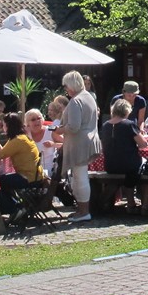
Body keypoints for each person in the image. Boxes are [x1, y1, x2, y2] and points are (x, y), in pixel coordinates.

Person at [0, 112, 48, 222]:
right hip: (33, 175)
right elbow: (2, 153)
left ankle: (14, 208)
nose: (3, 127)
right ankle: (16, 207)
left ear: (8, 126)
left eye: (4, 125)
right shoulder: (19, 138)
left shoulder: (18, 140)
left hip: (29, 177)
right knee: (1, 180)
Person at [60, 70, 100, 222]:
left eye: (66, 87)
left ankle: (84, 212)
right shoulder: (88, 96)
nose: (66, 90)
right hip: (88, 140)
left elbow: (73, 127)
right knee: (79, 177)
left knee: (80, 177)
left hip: (80, 144)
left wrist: (59, 129)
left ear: (71, 85)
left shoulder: (76, 100)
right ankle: (82, 210)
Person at [100, 98, 148, 213]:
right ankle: (136, 203)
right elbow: (143, 145)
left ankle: (129, 202)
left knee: (130, 165)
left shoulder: (106, 125)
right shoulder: (129, 124)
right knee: (145, 165)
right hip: (128, 165)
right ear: (127, 111)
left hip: (110, 165)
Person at [25, 107, 58, 178]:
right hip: (32, 172)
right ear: (28, 123)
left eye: (39, 118)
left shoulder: (50, 131)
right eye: (33, 120)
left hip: (50, 171)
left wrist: (53, 144)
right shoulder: (25, 135)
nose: (37, 121)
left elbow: (68, 144)